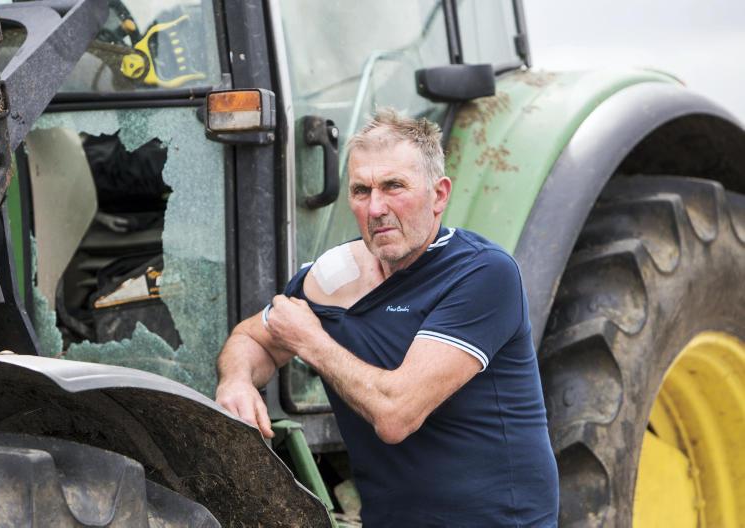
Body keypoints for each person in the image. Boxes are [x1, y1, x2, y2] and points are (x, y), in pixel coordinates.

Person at [215, 108, 559, 527]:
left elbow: (396, 415)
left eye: (394, 186)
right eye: (361, 191)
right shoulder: (331, 278)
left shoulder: (483, 274)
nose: (376, 207)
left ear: (439, 195)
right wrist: (236, 381)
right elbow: (251, 340)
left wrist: (312, 342)